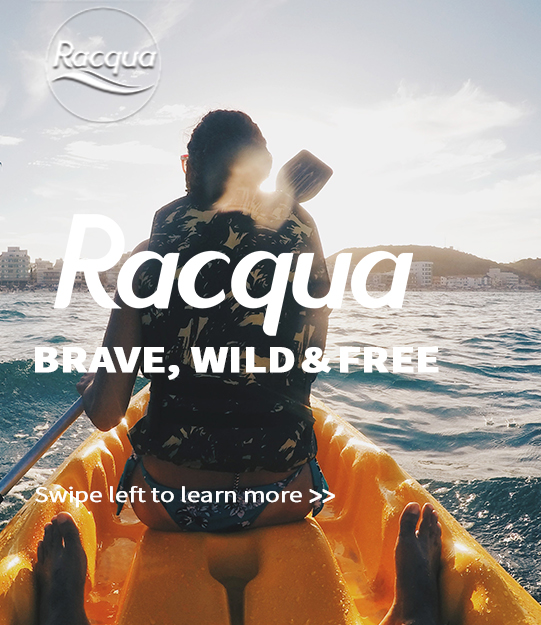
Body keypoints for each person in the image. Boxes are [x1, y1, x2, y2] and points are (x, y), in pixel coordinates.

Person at [34, 110, 442, 625]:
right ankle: (409, 613)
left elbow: (107, 413)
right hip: (285, 496)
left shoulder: (148, 257)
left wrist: (101, 382)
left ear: (187, 166)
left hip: (168, 503)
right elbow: (304, 358)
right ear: (261, 170)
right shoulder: (303, 240)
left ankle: (65, 611)